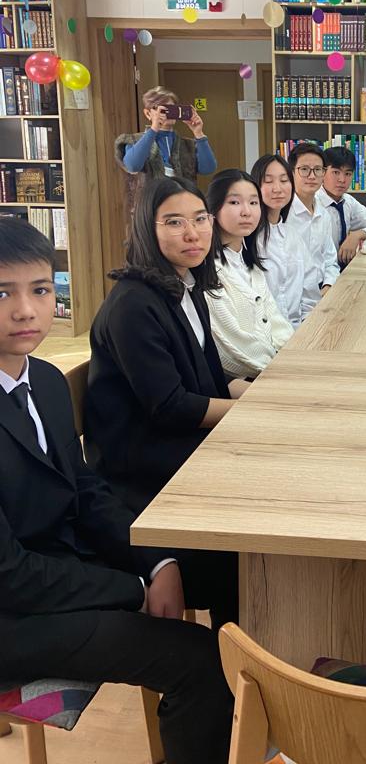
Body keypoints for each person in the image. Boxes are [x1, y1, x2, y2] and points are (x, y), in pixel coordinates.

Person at [0, 218, 234, 764]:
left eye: (40, 290)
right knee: (200, 661)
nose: (26, 310)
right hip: (14, 618)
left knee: (231, 566)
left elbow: (86, 490)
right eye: (2, 293)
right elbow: (9, 575)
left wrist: (157, 561)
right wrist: (132, 587)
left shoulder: (45, 380)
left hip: (62, 573)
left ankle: (251, 728)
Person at [85, 178, 246, 630]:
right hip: (145, 471)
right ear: (147, 229)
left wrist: (258, 393)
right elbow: (171, 406)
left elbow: (210, 376)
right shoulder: (133, 305)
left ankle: (248, 639)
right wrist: (253, 412)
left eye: (199, 219)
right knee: (251, 527)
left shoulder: (185, 286)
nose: (192, 233)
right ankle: (235, 648)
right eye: (174, 223)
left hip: (180, 448)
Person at [205, 169, 294, 378]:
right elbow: (232, 348)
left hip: (277, 368)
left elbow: (276, 322)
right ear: (214, 209)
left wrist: (294, 356)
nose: (247, 212)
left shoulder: (251, 265)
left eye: (254, 202)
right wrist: (280, 370)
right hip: (251, 380)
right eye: (234, 202)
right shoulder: (209, 271)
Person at [115, 87, 217, 210]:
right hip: (150, 208)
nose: (168, 113)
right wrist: (154, 129)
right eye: (163, 109)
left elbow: (208, 168)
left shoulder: (187, 145)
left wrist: (198, 133)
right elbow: (133, 165)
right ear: (148, 113)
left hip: (184, 206)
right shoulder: (134, 140)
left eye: (172, 108)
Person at [251, 153, 314, 328]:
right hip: (265, 335)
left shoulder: (292, 235)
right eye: (268, 181)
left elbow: (309, 291)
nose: (277, 189)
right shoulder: (249, 239)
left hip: (299, 331)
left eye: (284, 180)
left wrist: (306, 328)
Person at [317, 145, 366, 266]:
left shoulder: (347, 201)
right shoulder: (313, 202)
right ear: (322, 172)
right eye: (336, 172)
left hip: (345, 270)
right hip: (320, 272)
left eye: (348, 174)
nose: (342, 180)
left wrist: (358, 234)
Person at [286, 143, 339, 307]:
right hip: (292, 299)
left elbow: (330, 260)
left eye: (317, 170)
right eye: (304, 169)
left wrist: (328, 286)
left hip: (322, 293)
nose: (311, 176)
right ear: (291, 172)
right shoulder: (283, 215)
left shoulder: (323, 214)